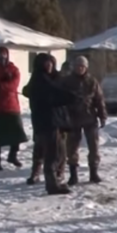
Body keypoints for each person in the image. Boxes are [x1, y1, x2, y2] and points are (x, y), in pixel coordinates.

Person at [26, 53, 77, 195]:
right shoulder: (40, 80)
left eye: (51, 63)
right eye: (46, 63)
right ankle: (52, 185)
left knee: (59, 152)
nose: (49, 66)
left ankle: (55, 182)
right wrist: (71, 97)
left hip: (52, 122)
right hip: (47, 122)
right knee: (52, 154)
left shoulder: (48, 79)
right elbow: (53, 97)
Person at [62, 55, 107, 185]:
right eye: (78, 66)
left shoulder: (92, 81)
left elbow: (99, 99)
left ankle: (93, 173)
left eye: (82, 66)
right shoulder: (67, 82)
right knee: (72, 147)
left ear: (86, 68)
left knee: (94, 147)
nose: (80, 68)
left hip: (90, 118)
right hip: (73, 118)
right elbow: (61, 99)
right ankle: (73, 175)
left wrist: (102, 115)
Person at [0, 46, 28, 171]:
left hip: (11, 106)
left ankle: (12, 155)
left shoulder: (13, 69)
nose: (2, 58)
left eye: (4, 55)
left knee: (17, 134)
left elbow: (13, 85)